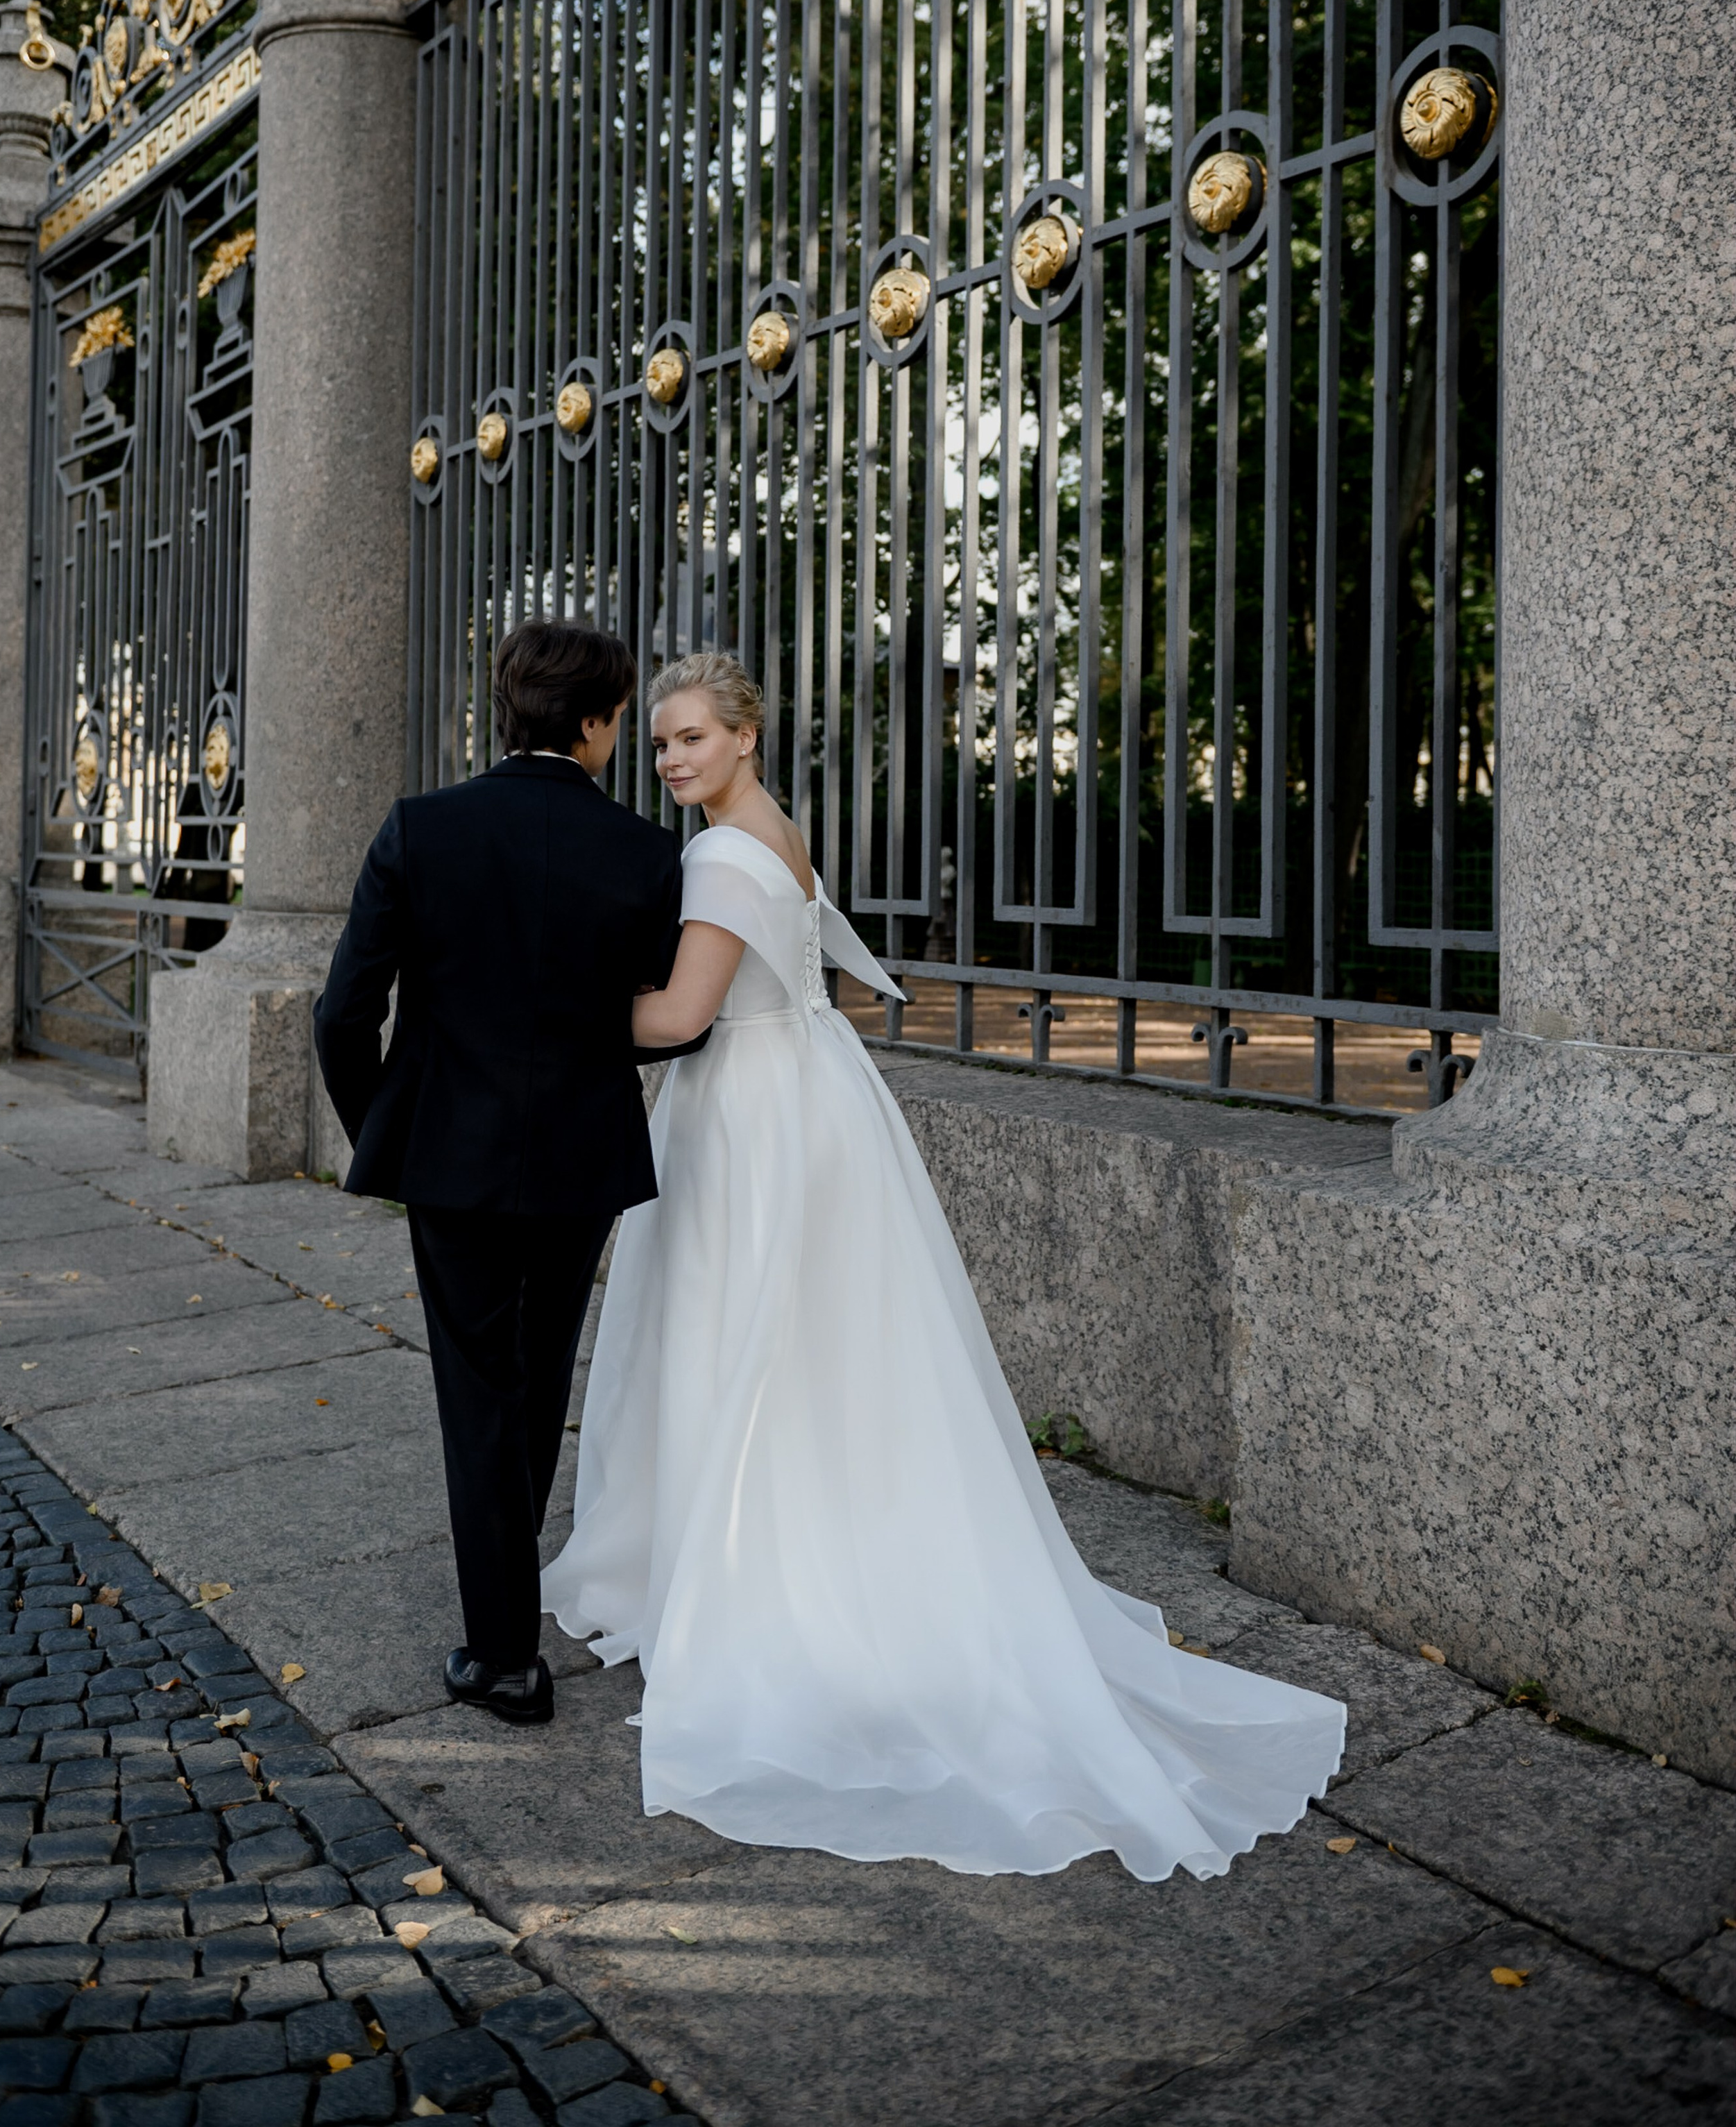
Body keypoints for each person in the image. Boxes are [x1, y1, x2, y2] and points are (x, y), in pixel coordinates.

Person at [541, 651, 1347, 1881]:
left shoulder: (718, 858)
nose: (670, 760)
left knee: (734, 1331)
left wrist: (553, 996)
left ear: (746, 735)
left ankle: (753, 1565)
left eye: (692, 737)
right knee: (810, 1339)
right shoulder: (778, 834)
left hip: (751, 1112)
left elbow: (680, 1017)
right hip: (815, 1096)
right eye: (659, 743)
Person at [314, 619, 697, 1726]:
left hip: (450, 1156)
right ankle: (506, 1611)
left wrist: (389, 1135)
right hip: (581, 1155)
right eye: (622, 720)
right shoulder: (644, 851)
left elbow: (344, 1014)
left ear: (507, 711)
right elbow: (662, 1021)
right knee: (536, 1376)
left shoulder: (421, 828)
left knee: (480, 1388)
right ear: (596, 722)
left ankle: (503, 1656)